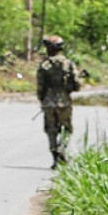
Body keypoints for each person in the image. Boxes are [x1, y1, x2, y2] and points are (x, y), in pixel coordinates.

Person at [36, 35, 80, 168]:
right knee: (66, 129)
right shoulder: (68, 64)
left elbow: (40, 87)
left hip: (48, 102)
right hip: (64, 102)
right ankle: (62, 148)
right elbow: (77, 84)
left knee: (51, 130)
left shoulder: (44, 65)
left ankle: (55, 157)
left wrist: (43, 100)